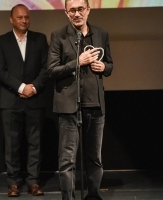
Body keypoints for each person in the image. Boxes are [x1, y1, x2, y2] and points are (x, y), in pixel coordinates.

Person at [47, 0, 113, 199]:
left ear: (88, 10)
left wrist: (105, 68)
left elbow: (109, 64)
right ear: (66, 13)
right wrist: (78, 62)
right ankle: (68, 198)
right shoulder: (58, 36)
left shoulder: (101, 34)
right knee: (67, 160)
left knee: (95, 158)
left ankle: (93, 195)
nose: (77, 14)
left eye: (80, 9)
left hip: (95, 104)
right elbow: (51, 71)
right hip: (69, 107)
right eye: (72, 10)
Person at [0, 4, 48, 197]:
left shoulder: (40, 39)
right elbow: (0, 71)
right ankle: (14, 183)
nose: (24, 20)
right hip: (10, 100)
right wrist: (20, 87)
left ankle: (33, 181)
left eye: (26, 17)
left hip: (35, 98)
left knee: (35, 143)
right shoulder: (2, 41)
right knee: (12, 144)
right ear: (11, 19)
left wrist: (33, 87)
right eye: (19, 17)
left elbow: (46, 68)